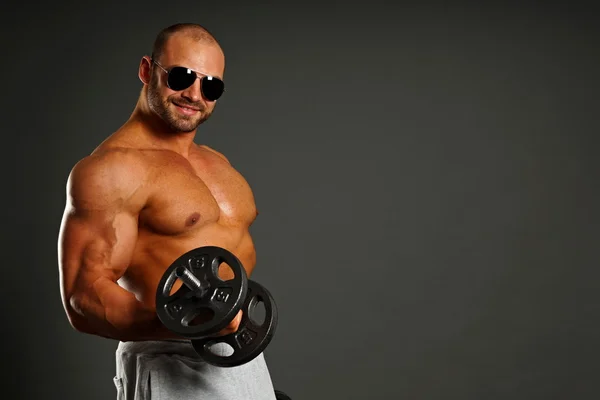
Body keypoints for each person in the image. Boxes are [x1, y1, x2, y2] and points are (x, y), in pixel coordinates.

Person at [58, 23, 277, 399]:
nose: (194, 94)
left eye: (211, 86)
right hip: (170, 363)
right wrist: (194, 323)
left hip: (240, 357)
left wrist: (227, 327)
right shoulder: (110, 170)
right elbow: (85, 299)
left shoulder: (217, 163)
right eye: (181, 77)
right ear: (147, 71)